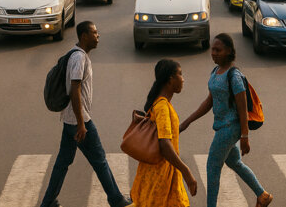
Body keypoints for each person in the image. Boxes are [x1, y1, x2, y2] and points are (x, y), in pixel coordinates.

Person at [40, 21, 133, 207]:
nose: (98, 36)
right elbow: (74, 90)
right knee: (99, 160)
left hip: (69, 120)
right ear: (84, 36)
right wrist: (82, 124)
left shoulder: (77, 55)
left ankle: (48, 202)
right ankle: (116, 200)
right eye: (94, 33)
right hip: (78, 120)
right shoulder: (79, 58)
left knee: (63, 163)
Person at [180, 33, 273, 207]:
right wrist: (187, 122)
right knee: (234, 162)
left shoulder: (234, 77)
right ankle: (263, 195)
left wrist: (245, 137)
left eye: (218, 50)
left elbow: (243, 109)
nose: (213, 53)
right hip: (223, 127)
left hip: (230, 128)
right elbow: (209, 101)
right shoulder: (216, 71)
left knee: (212, 167)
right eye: (213, 49)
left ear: (229, 51)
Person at [131, 59, 197, 207]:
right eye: (180, 74)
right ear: (170, 79)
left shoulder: (162, 103)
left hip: (165, 173)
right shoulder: (162, 107)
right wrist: (187, 172)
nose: (183, 79)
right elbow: (164, 143)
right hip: (160, 176)